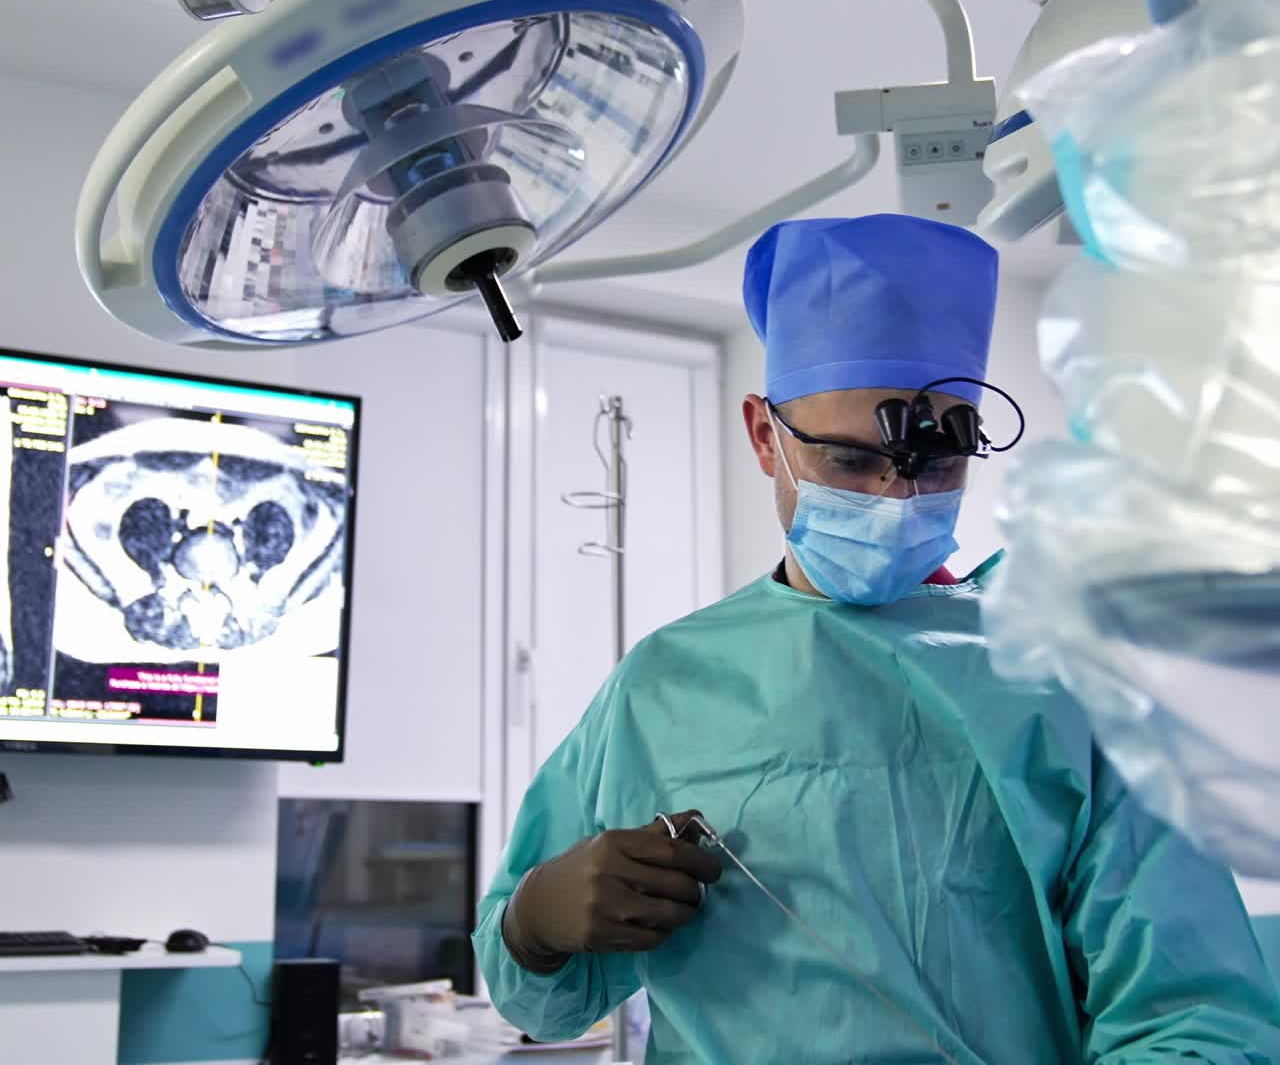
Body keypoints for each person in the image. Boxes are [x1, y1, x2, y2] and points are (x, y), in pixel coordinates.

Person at [474, 214, 1280, 1063]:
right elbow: (544, 1003)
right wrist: (536, 926)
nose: (897, 499)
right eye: (850, 461)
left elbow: (1191, 1015)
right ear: (765, 437)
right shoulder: (664, 687)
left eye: (938, 464)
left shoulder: (1061, 678)